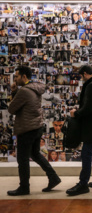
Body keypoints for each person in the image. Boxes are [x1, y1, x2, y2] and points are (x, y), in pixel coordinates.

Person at [7, 66, 61, 196]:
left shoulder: (24, 91)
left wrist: (13, 92)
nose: (16, 79)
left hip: (27, 128)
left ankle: (24, 187)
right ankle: (53, 177)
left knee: (23, 159)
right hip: (37, 127)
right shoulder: (36, 88)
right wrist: (15, 91)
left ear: (24, 77)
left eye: (17, 76)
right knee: (35, 154)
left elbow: (11, 109)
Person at [66, 65, 92, 196]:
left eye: (81, 76)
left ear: (84, 74)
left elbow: (88, 108)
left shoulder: (90, 85)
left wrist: (75, 113)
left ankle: (83, 184)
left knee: (86, 154)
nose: (81, 79)